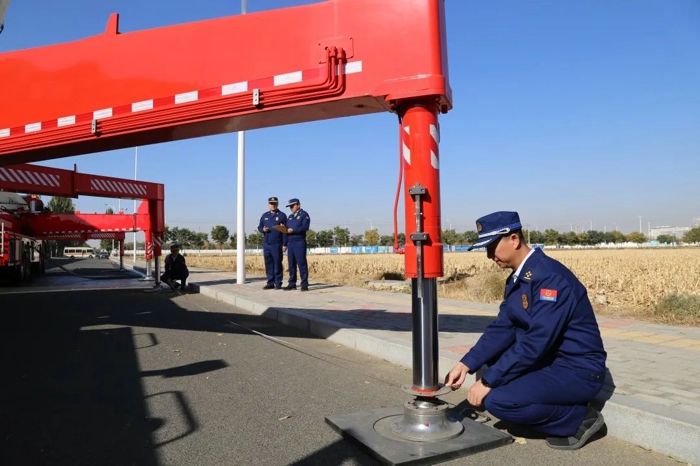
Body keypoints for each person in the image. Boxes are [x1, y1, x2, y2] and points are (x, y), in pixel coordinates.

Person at [444, 211, 607, 450]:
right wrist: (467, 364)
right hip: (550, 361)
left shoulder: (549, 279)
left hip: (577, 369)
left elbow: (536, 341)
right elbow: (503, 327)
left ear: (514, 239)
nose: (489, 255)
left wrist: (488, 381)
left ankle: (579, 419)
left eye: (492, 246)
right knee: (496, 365)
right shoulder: (519, 279)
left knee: (499, 400)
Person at [257, 196, 288, 290]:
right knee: (268, 263)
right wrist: (263, 229)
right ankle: (270, 282)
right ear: (268, 204)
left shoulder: (282, 215)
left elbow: (285, 231)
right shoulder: (264, 215)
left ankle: (278, 282)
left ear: (277, 204)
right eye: (271, 204)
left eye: (274, 204)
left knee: (277, 263)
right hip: (267, 243)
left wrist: (284, 244)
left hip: (277, 243)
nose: (273, 205)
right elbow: (259, 227)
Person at [283, 198, 310, 291]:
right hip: (290, 242)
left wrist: (294, 230)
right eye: (290, 206)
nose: (291, 208)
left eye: (293, 206)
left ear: (298, 205)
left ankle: (304, 283)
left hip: (299, 241)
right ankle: (292, 283)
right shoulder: (290, 217)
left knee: (301, 263)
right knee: (291, 264)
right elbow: (286, 230)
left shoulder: (304, 215)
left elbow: (305, 227)